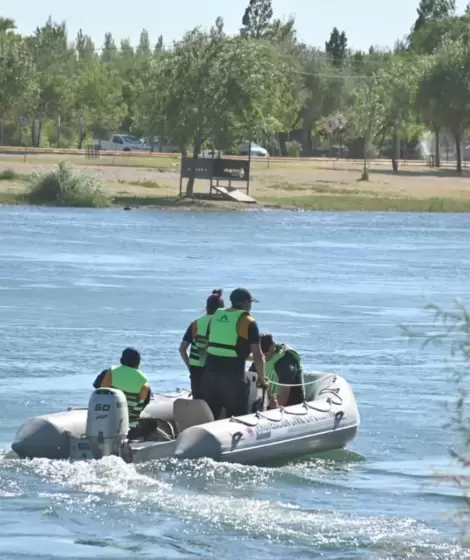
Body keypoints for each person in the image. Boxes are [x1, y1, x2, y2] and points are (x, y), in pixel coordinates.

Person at [201, 287, 267, 420]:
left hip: (209, 373)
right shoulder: (248, 321)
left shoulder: (216, 316)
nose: (251, 306)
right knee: (237, 417)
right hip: (233, 374)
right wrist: (262, 379)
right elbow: (258, 355)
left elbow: (213, 343)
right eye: (250, 302)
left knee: (211, 415)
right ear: (244, 303)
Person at [93, 347, 152, 440]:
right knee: (152, 425)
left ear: (121, 360)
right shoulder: (143, 382)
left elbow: (97, 388)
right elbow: (143, 405)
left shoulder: (109, 373)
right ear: (138, 363)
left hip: (102, 424)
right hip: (128, 429)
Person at [179, 289, 225, 398]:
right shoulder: (223, 325)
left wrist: (190, 367)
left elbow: (182, 349)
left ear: (207, 306)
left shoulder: (195, 324)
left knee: (198, 401)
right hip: (215, 369)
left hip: (196, 369)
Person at [251, 334, 305, 408]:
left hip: (291, 405)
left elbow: (284, 397)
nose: (263, 359)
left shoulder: (285, 362)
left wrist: (269, 407)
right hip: (268, 401)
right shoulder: (258, 358)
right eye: (260, 356)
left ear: (273, 346)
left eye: (265, 355)